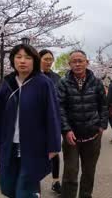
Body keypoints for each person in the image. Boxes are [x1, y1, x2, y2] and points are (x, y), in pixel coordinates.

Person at [0, 44, 61, 198]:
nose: (23, 61)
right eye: (18, 57)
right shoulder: (8, 83)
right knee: (9, 187)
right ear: (13, 60)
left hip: (34, 145)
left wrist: (54, 146)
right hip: (9, 144)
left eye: (28, 58)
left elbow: (53, 115)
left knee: (26, 190)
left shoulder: (43, 83)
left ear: (34, 61)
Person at [58, 50, 108, 198]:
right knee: (70, 172)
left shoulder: (97, 82)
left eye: (81, 60)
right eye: (74, 61)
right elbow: (59, 107)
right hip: (71, 137)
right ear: (69, 64)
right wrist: (66, 130)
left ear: (87, 62)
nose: (78, 64)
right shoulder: (63, 83)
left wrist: (102, 125)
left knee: (89, 171)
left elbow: (103, 105)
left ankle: (86, 195)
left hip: (93, 135)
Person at [39, 49, 62, 194]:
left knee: (54, 151)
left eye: (51, 59)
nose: (49, 62)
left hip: (53, 120)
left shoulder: (57, 78)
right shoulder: (32, 76)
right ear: (39, 59)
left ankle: (56, 181)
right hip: (35, 122)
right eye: (46, 59)